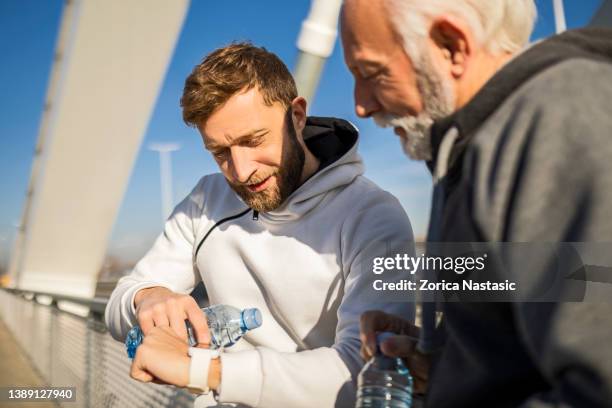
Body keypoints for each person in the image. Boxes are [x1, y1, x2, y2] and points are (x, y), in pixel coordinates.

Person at [105, 42, 415, 408]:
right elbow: (119, 305)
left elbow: (363, 370)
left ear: (297, 116)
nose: (241, 171)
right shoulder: (206, 199)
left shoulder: (375, 216)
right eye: (220, 152)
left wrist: (206, 371)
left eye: (253, 140)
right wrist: (147, 298)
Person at [341, 0, 612, 406]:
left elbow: (597, 385)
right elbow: (531, 345)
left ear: (452, 46)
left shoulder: (556, 119)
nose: (362, 105)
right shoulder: (487, 146)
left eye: (372, 73)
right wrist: (443, 360)